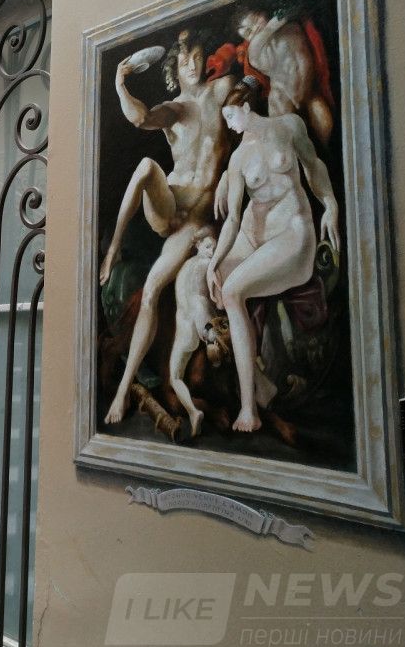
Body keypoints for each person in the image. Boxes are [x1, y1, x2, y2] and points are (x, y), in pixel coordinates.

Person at [101, 27, 234, 425]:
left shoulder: (222, 90)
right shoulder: (173, 109)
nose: (191, 64)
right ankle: (113, 249)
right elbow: (140, 118)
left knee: (154, 288)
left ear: (205, 59)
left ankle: (129, 391)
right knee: (146, 167)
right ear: (175, 68)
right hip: (169, 206)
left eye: (197, 56)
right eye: (184, 60)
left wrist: (232, 174)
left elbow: (251, 97)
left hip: (197, 220)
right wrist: (120, 84)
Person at [206, 79, 340, 432]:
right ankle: (262, 383)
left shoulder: (288, 127)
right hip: (253, 235)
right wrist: (215, 261)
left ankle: (248, 409)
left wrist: (329, 204)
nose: (229, 125)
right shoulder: (238, 159)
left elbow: (313, 166)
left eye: (231, 116)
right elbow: (234, 219)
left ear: (247, 107)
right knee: (215, 283)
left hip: (293, 234)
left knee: (233, 292)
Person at [234, 8, 334, 144]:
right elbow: (267, 31)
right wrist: (270, 25)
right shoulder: (255, 52)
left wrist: (279, 19)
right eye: (248, 32)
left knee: (326, 127)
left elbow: (288, 13)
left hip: (308, 92)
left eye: (255, 21)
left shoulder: (293, 28)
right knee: (285, 140)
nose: (255, 30)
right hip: (282, 98)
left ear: (262, 14)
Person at [168, 227, 217, 438]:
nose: (211, 252)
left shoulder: (185, 266)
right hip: (199, 319)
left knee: (175, 377)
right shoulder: (206, 265)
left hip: (184, 326)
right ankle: (194, 412)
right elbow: (208, 298)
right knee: (175, 376)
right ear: (198, 245)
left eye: (214, 248)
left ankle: (193, 411)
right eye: (208, 247)